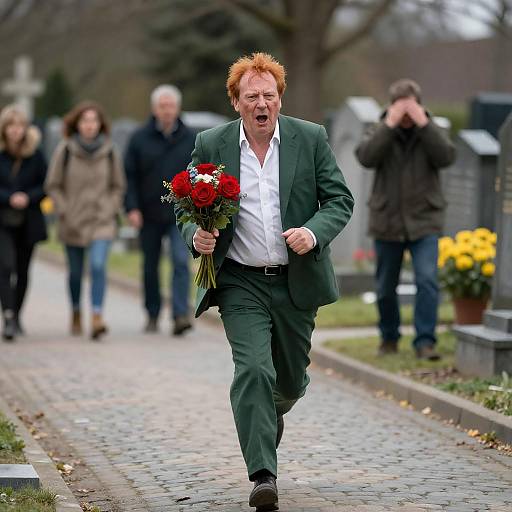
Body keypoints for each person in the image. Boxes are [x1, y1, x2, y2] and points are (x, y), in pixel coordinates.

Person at [178, 53, 354, 511]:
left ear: (280, 99)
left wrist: (313, 232)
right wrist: (196, 236)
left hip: (296, 281)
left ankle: (269, 411)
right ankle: (263, 476)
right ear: (236, 102)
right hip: (240, 282)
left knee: (289, 383)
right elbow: (186, 207)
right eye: (252, 96)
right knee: (254, 370)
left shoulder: (309, 138)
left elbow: (339, 198)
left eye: (269, 96)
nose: (262, 104)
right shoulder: (212, 144)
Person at [355, 79, 455, 361]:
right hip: (388, 221)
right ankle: (389, 338)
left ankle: (425, 342)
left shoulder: (431, 130)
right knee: (385, 287)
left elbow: (447, 156)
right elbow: (366, 157)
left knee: (427, 281)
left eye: (412, 108)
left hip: (425, 221)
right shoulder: (380, 130)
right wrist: (389, 124)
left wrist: (424, 125)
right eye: (402, 109)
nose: (407, 116)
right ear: (391, 107)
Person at [45, 101, 126, 340]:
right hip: (73, 221)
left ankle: (97, 316)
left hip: (102, 220)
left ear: (100, 125)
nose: (90, 125)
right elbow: (53, 185)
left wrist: (110, 207)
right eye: (85, 121)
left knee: (99, 266)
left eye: (94, 121)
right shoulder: (66, 150)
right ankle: (76, 311)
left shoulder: (110, 152)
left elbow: (118, 186)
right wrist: (64, 209)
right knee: (75, 273)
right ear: (77, 124)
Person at [124, 85, 195, 336]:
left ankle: (179, 314)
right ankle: (153, 312)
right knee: (150, 265)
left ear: (178, 108)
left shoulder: (191, 138)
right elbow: (129, 177)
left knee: (180, 261)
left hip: (182, 213)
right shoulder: (139, 138)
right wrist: (132, 208)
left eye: (171, 106)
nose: (167, 110)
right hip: (148, 212)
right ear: (154, 109)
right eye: (162, 106)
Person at [0, 105, 47, 341]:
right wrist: (9, 197)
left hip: (28, 220)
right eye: (11, 126)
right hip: (3, 220)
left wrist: (28, 196)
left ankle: (17, 315)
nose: (15, 131)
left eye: (19, 126)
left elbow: (45, 183)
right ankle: (8, 316)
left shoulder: (35, 155)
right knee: (5, 267)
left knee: (22, 270)